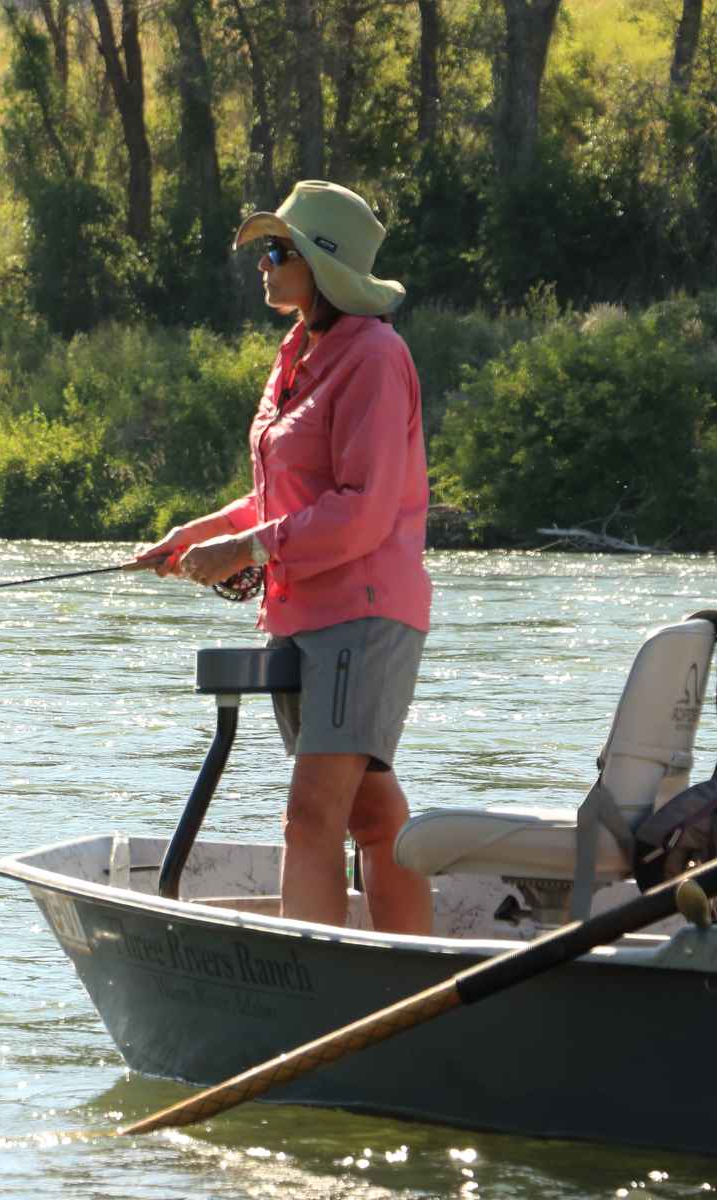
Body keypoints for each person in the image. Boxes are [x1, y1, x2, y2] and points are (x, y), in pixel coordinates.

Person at [134, 180, 433, 936]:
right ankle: (417, 961)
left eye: (278, 251)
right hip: (305, 617)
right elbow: (283, 493)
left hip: (360, 618)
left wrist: (250, 546)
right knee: (367, 810)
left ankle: (316, 981)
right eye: (265, 250)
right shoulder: (300, 348)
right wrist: (198, 535)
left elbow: (362, 510)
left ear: (323, 265)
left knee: (310, 817)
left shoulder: (374, 357)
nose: (263, 264)